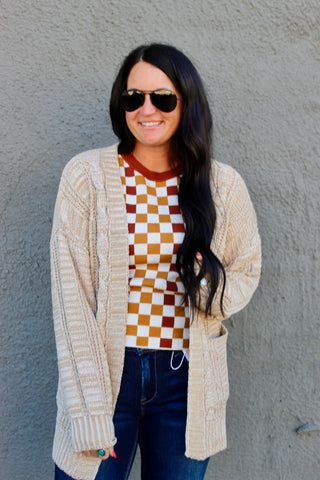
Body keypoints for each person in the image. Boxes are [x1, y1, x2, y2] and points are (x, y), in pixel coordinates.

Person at [51, 43, 261, 480]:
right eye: (134, 98)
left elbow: (246, 270)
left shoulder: (221, 185)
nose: (147, 109)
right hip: (107, 379)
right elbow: (72, 302)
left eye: (162, 98)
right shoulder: (86, 177)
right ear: (121, 103)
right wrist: (90, 412)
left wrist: (206, 288)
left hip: (185, 382)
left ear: (186, 103)